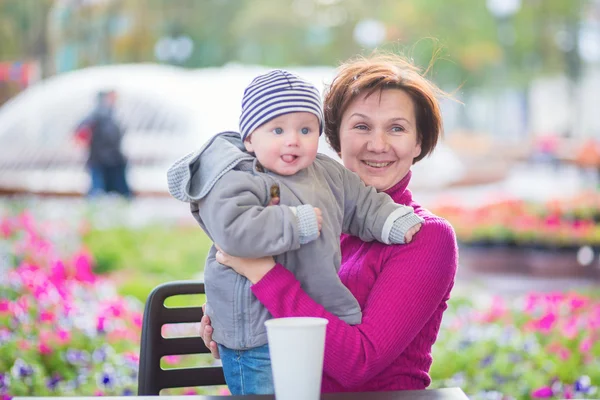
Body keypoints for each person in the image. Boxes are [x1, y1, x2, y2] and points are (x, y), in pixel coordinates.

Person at [200, 53, 459, 393]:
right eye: (361, 126)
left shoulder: (425, 237)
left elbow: (358, 364)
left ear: (418, 142)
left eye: (396, 128)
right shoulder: (299, 218)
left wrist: (261, 273)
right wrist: (236, 317)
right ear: (334, 138)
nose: (377, 145)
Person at [75, 89, 132, 198]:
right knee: (100, 190)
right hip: (103, 159)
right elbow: (81, 131)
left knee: (102, 190)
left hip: (109, 159)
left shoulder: (109, 113)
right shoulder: (99, 113)